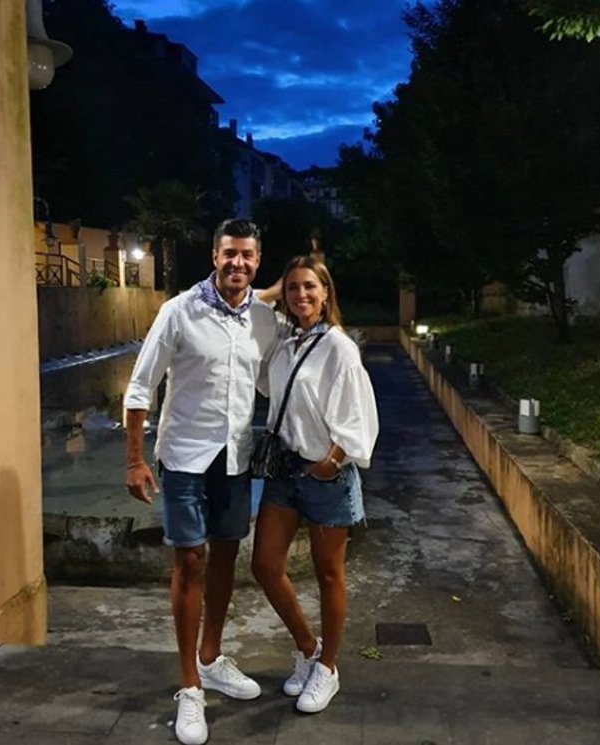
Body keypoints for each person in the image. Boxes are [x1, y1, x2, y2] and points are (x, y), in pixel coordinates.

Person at [123, 218, 283, 745]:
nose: (238, 262)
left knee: (226, 558)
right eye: (229, 253)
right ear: (214, 256)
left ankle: (211, 657)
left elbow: (278, 379)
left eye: (247, 255)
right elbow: (140, 388)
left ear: (257, 261)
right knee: (189, 561)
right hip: (185, 458)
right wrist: (134, 460)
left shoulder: (263, 319)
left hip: (235, 459)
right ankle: (190, 686)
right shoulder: (179, 311)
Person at [251, 254, 379, 715]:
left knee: (329, 575)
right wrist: (272, 290)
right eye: (293, 287)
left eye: (309, 286)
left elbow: (358, 414)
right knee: (265, 565)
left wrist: (332, 461)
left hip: (326, 475)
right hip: (284, 472)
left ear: (326, 294)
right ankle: (308, 648)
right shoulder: (284, 344)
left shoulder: (339, 348)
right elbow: (251, 313)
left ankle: (328, 668)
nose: (300, 294)